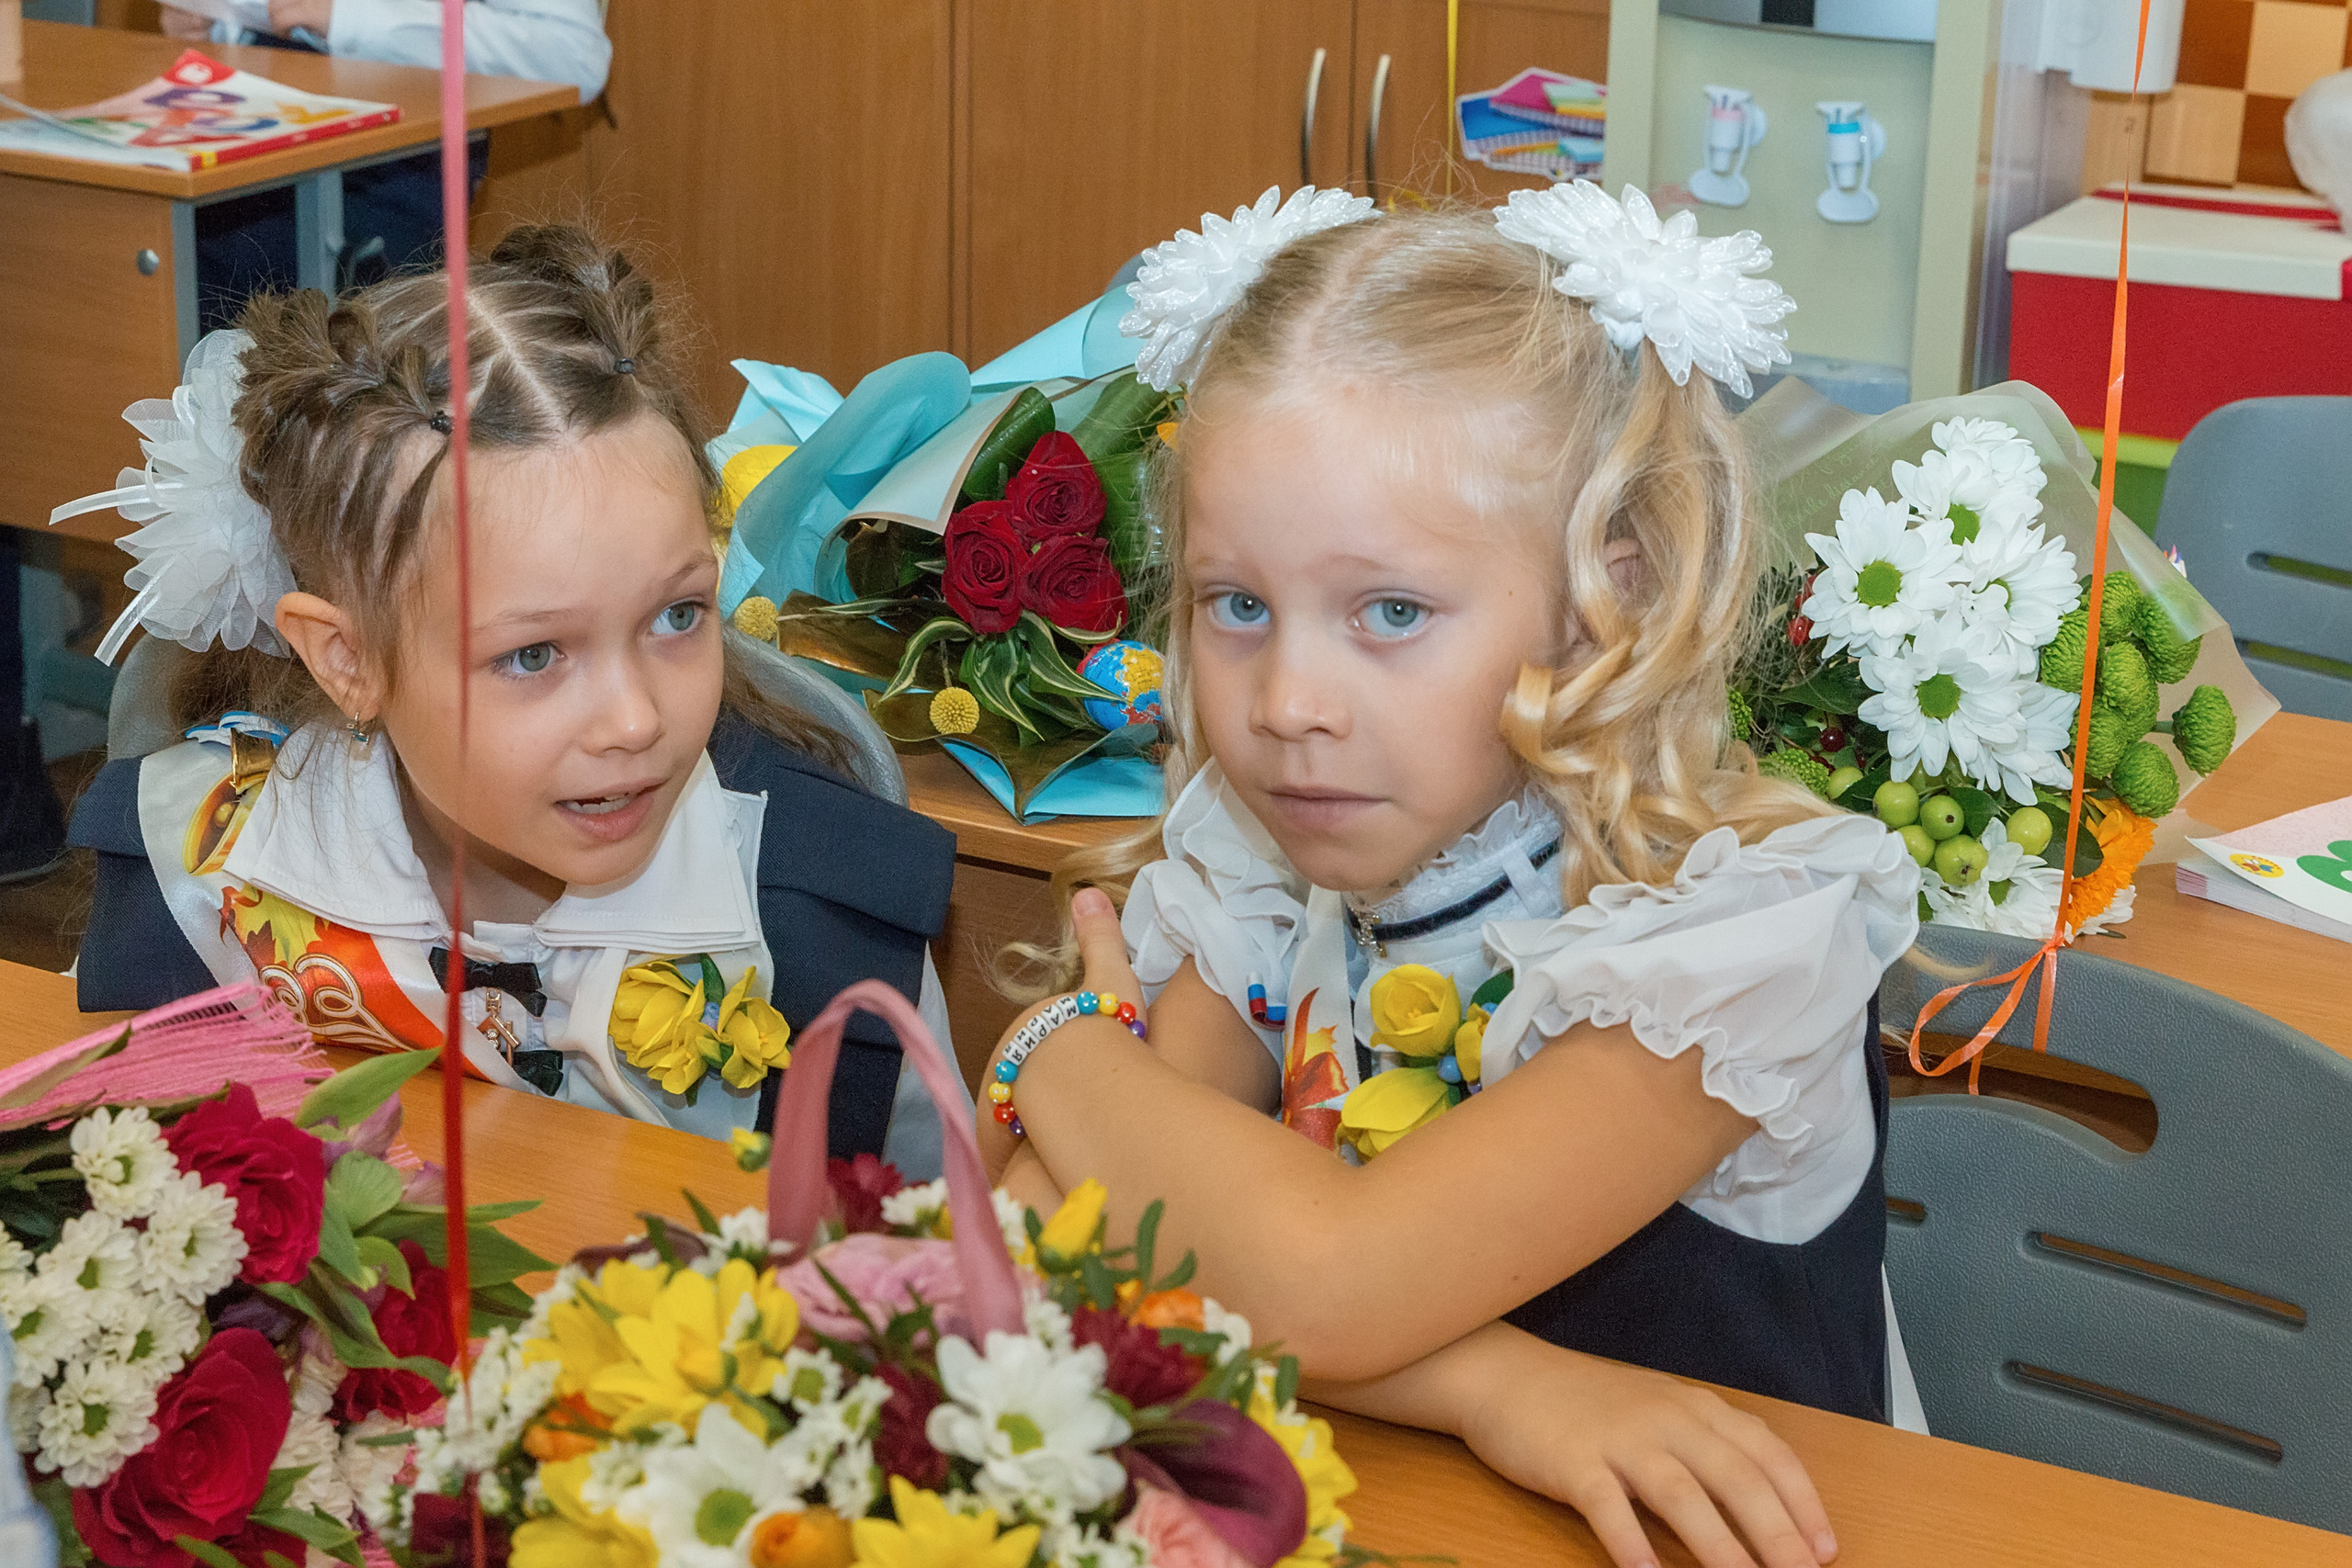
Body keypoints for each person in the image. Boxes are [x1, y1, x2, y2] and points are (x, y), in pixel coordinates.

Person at [980, 187, 1922, 1568]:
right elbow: (1067, 1243)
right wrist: (1494, 1388)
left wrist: (1057, 1050)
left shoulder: (1729, 938)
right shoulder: (1261, 858)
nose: (1288, 702)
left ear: (1604, 601)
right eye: (1237, 605)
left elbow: (1325, 1281)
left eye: (1391, 612)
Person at [61, 225, 969, 1177]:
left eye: (677, 615)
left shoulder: (824, 922)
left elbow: (931, 1232)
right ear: (347, 658)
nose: (636, 721)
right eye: (533, 654)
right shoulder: (200, 876)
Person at [158, 1, 612, 324]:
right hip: (233, 144)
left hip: (389, 174)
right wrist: (213, 26)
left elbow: (572, 55)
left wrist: (351, 18)